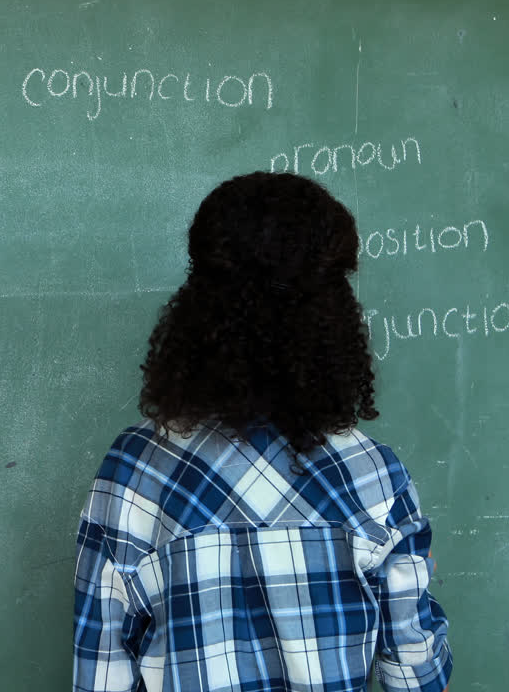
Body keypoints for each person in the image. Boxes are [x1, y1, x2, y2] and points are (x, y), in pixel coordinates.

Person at [73, 172, 451, 692]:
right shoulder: (373, 476)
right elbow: (416, 673)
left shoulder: (136, 469)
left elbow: (100, 670)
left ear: (199, 308)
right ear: (333, 316)